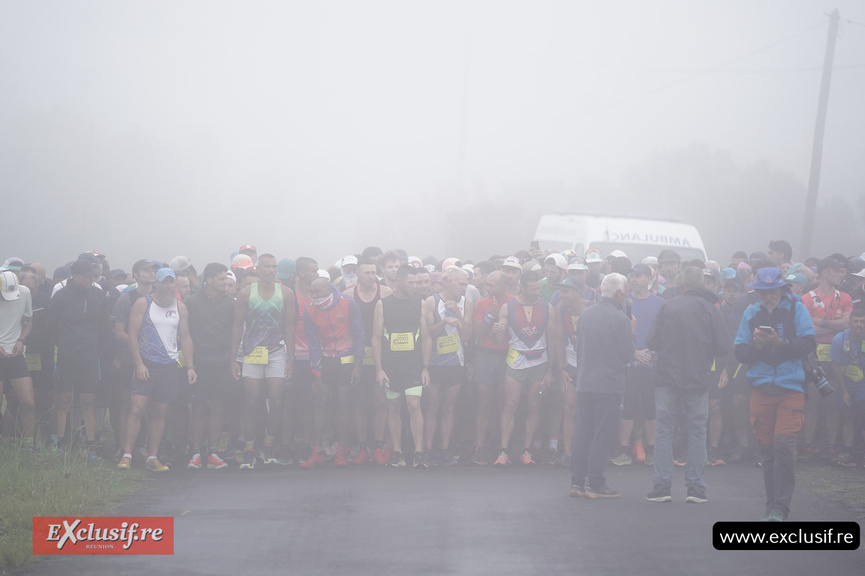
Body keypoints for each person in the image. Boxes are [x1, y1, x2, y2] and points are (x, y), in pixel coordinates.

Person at [734, 267, 816, 521]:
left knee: (783, 446)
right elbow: (740, 352)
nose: (768, 296)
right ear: (758, 292)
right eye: (763, 292)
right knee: (767, 449)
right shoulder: (751, 312)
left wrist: (781, 344)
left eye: (772, 291)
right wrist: (757, 346)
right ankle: (772, 505)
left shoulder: (796, 309)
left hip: (791, 387)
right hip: (761, 388)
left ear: (781, 289)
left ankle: (781, 506)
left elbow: (809, 343)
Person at [645, 266, 730, 504]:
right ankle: (695, 488)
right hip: (697, 377)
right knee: (697, 430)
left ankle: (662, 488)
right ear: (703, 284)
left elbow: (651, 340)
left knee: (664, 430)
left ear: (681, 285)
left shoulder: (668, 306)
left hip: (667, 376)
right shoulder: (710, 309)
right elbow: (724, 347)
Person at [119, 268, 197, 472]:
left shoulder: (180, 307)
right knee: (136, 408)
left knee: (161, 411)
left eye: (172, 282)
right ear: (157, 283)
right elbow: (133, 334)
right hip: (147, 363)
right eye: (165, 282)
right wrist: (139, 363)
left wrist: (190, 366)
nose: (169, 286)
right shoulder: (143, 303)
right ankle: (126, 454)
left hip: (169, 365)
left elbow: (186, 337)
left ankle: (153, 457)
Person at [569, 273, 634, 498]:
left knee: (583, 432)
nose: (627, 294)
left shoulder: (585, 314)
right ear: (618, 293)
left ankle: (576, 482)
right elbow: (627, 354)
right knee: (604, 433)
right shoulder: (620, 319)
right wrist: (632, 332)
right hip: (608, 384)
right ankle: (595, 482)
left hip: (585, 381)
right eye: (626, 290)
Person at [229, 254, 296, 469]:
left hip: (276, 351)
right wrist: (233, 359)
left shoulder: (285, 293)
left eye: (274, 266)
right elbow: (237, 327)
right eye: (266, 266)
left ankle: (268, 444)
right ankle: (249, 447)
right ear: (258, 269)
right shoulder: (246, 293)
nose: (271, 270)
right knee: (251, 400)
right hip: (252, 352)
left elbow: (289, 327)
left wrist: (290, 358)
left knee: (276, 400)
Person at [48, 259, 110, 461]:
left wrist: (98, 350)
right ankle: (59, 445)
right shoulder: (61, 296)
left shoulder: (99, 296)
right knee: (64, 400)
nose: (92, 279)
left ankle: (90, 446)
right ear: (75, 276)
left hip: (90, 356)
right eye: (88, 276)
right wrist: (63, 345)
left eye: (94, 275)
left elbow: (103, 326)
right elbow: (52, 325)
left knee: (88, 402)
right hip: (67, 355)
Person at [300, 277, 365, 468]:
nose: (314, 296)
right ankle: (318, 449)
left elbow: (359, 333)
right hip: (326, 359)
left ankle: (342, 450)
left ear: (329, 290)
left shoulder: (348, 302)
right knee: (321, 403)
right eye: (311, 292)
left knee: (344, 403)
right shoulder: (309, 310)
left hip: (347, 357)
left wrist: (357, 365)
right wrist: (317, 372)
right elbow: (312, 345)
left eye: (317, 292)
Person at [372, 265, 431, 468]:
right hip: (391, 365)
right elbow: (376, 338)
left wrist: (425, 367)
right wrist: (379, 369)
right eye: (411, 282)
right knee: (394, 407)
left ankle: (418, 452)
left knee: (414, 404)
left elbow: (426, 337)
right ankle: (397, 451)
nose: (415, 286)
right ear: (399, 282)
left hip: (413, 365)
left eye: (417, 282)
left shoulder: (421, 304)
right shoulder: (383, 304)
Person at [493, 270, 555, 466]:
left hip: (539, 360)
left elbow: (553, 340)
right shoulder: (508, 307)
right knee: (510, 404)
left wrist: (551, 369)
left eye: (539, 288)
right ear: (523, 287)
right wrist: (497, 331)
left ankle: (526, 451)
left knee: (534, 404)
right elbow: (498, 339)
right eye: (533, 288)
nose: (537, 291)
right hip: (517, 359)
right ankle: (503, 451)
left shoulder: (547, 307)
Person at [184, 263, 234, 470]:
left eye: (226, 279)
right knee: (198, 407)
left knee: (217, 407)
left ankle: (214, 452)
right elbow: (187, 336)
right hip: (200, 363)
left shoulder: (231, 303)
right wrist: (190, 365)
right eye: (221, 279)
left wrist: (232, 362)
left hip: (222, 363)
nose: (225, 283)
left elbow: (234, 333)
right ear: (209, 280)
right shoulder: (192, 303)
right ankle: (196, 453)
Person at [422, 266, 473, 466]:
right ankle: (427, 449)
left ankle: (443, 449)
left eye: (466, 285)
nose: (463, 288)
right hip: (434, 361)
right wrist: (444, 321)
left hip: (455, 362)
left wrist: (457, 313)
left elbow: (467, 336)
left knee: (449, 408)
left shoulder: (467, 303)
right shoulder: (431, 301)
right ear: (447, 282)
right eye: (460, 284)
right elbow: (428, 334)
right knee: (432, 407)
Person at [0, 271, 35, 448]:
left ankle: (29, 444)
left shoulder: (25, 293)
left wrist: (21, 340)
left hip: (15, 354)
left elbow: (28, 321)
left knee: (28, 401)